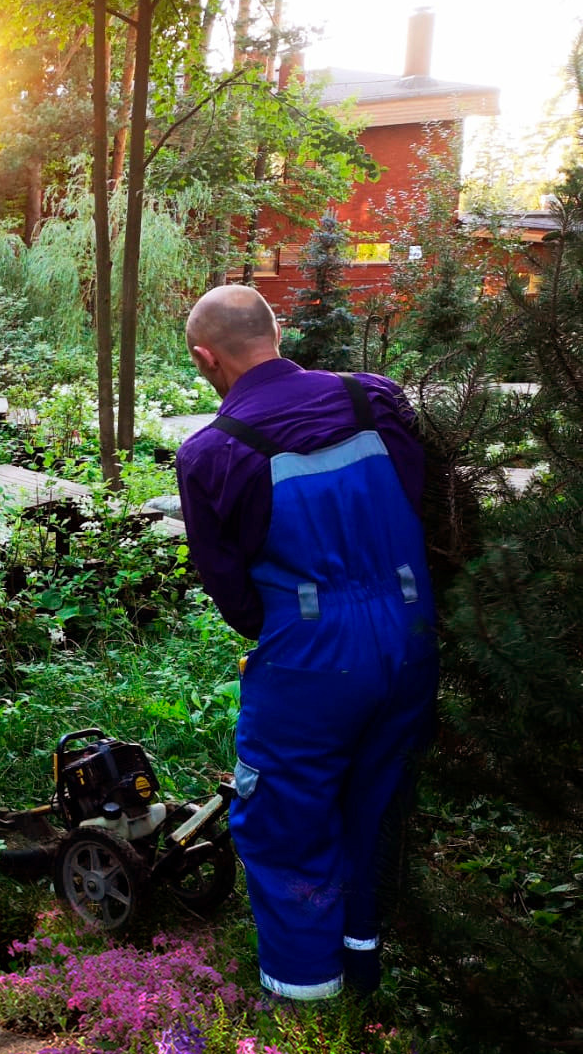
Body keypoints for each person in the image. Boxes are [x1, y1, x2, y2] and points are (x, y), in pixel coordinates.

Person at [174, 284, 437, 1001]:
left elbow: (232, 591)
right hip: (413, 632)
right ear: (277, 332)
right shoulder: (373, 398)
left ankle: (304, 999)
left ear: (205, 358)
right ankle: (363, 971)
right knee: (375, 803)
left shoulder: (211, 453)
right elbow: (418, 495)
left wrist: (298, 629)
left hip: (313, 652)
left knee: (284, 817)